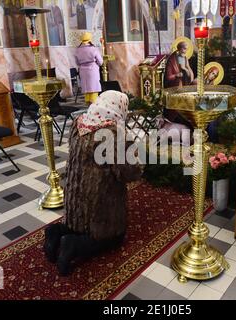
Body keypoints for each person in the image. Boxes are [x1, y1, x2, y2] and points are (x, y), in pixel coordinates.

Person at [43, 91, 143, 276]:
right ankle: (73, 246)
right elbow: (129, 172)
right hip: (99, 205)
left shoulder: (79, 122)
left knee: (73, 226)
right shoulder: (113, 133)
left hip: (73, 199)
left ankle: (55, 233)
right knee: (114, 239)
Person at [74, 32, 103, 105]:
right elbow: (100, 62)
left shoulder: (77, 50)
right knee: (93, 89)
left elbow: (77, 63)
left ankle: (88, 105)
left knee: (86, 88)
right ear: (90, 39)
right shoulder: (93, 49)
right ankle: (94, 105)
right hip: (92, 70)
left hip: (83, 71)